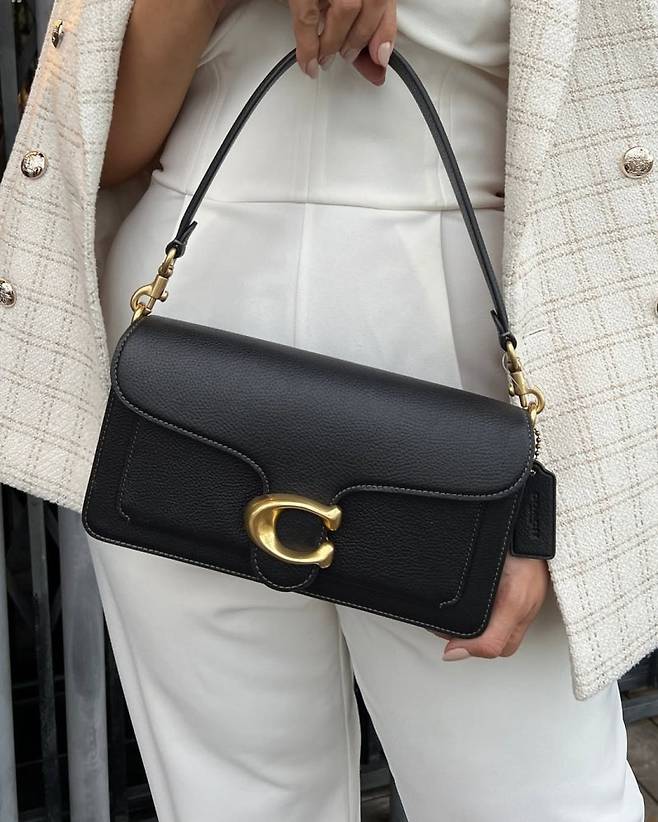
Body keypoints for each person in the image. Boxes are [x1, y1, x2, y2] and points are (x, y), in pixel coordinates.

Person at [0, 0, 655, 819]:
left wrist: (565, 470)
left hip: (475, 340)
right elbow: (112, 140)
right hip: (191, 317)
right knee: (237, 802)